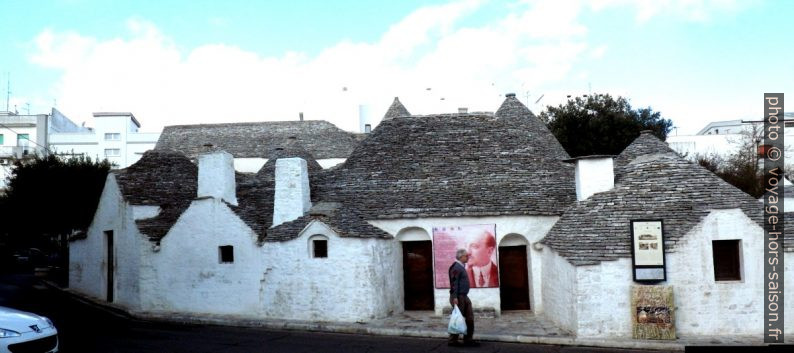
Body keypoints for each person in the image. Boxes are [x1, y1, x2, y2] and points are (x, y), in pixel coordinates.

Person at [448, 248, 479, 347]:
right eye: (466, 256)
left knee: (469, 318)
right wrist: (454, 297)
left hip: (464, 296)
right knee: (458, 319)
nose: (468, 257)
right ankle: (453, 340)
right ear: (461, 257)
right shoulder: (456, 267)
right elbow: (454, 284)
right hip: (458, 297)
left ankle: (468, 339)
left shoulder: (461, 266)